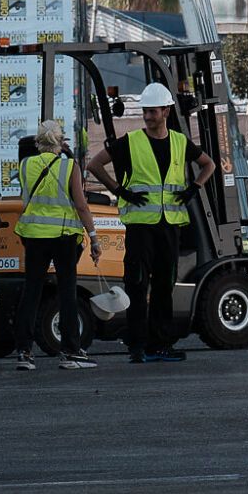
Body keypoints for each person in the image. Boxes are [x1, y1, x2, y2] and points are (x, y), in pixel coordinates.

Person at [85, 81, 216, 363]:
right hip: (140, 227)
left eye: (152, 111)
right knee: (137, 284)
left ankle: (159, 345)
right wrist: (119, 190)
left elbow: (210, 164)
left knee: (163, 288)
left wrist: (195, 187)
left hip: (168, 226)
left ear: (166, 111)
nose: (147, 116)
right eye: (145, 111)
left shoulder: (180, 142)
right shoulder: (131, 141)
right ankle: (138, 345)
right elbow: (93, 165)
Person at [11, 119, 100, 369]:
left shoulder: (26, 164)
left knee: (32, 291)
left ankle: (24, 352)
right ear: (60, 142)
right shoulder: (69, 166)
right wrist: (93, 237)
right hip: (63, 236)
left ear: (38, 141)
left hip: (34, 235)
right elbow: (81, 205)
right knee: (67, 291)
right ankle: (71, 350)